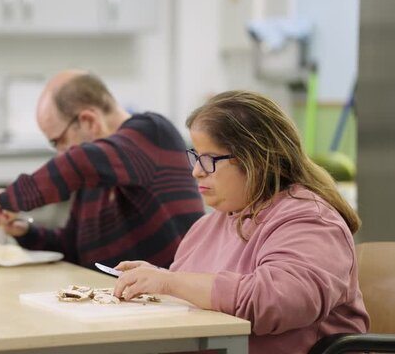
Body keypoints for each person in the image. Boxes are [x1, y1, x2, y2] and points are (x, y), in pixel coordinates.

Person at [112, 90, 369, 354]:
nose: (196, 171)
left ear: (257, 160)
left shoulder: (311, 220)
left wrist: (170, 283)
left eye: (209, 159)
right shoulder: (210, 225)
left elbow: (274, 302)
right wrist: (160, 279)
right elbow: (200, 294)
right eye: (195, 156)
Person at [0, 70, 204, 269]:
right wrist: (24, 231)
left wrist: (6, 199)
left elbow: (78, 162)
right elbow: (71, 246)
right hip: (113, 301)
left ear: (88, 121)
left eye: (58, 141)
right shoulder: (95, 171)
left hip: (169, 301)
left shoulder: (152, 133)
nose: (61, 154)